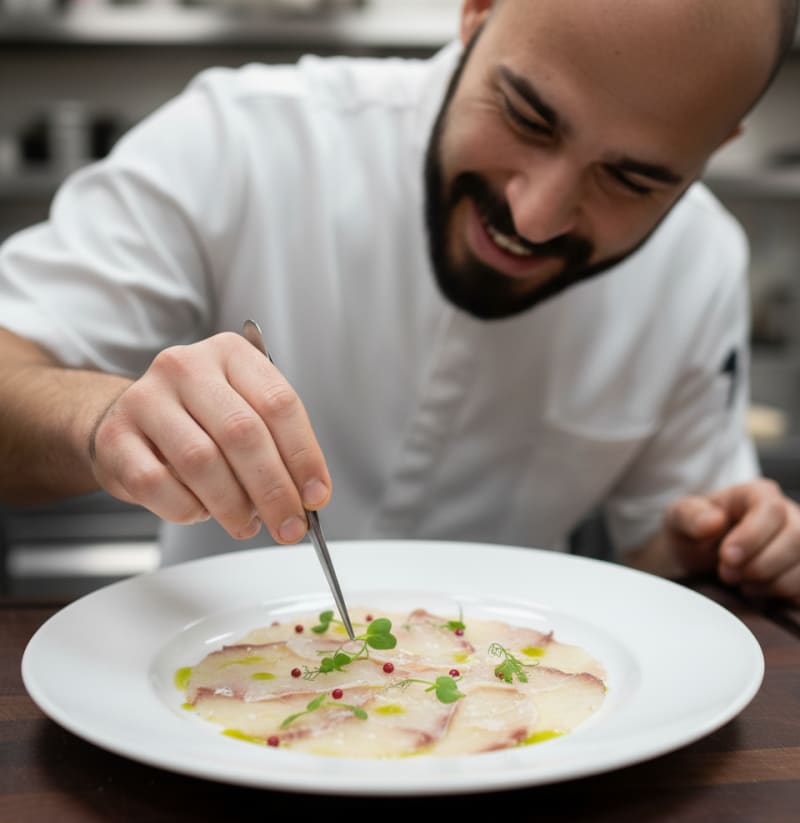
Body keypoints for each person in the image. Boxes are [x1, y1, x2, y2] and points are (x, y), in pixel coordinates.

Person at [1, 0, 799, 603]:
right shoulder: (240, 140)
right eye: (527, 116)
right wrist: (104, 423)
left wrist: (725, 548)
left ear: (716, 146)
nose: (534, 217)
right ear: (477, 11)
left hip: (515, 744)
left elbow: (662, 555)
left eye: (633, 179)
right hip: (208, 716)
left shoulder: (701, 262)